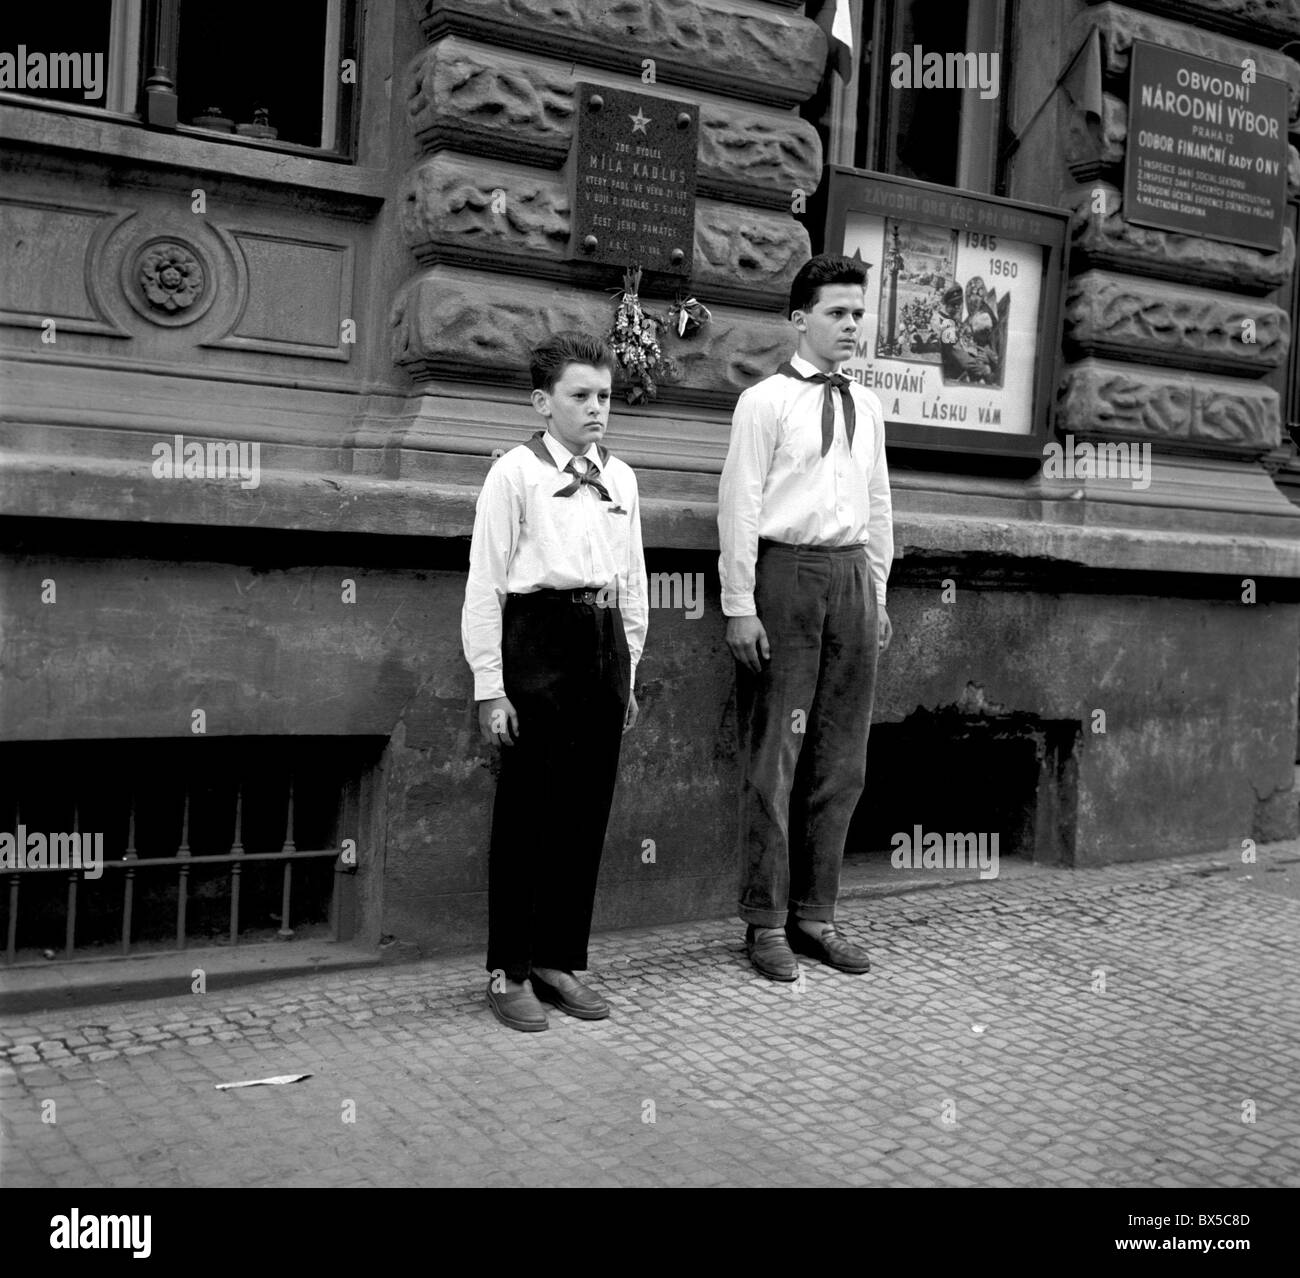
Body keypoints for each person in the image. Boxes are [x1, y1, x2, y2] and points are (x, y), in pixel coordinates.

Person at [461, 330, 647, 1031]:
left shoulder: (622, 477)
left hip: (602, 648)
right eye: (581, 396)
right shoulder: (514, 473)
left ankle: (557, 959)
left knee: (583, 811)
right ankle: (508, 969)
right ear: (543, 401)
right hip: (536, 642)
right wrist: (491, 685)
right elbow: (486, 584)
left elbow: (632, 580)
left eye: (605, 396)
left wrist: (630, 668)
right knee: (527, 813)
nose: (597, 408)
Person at [718, 253, 894, 982]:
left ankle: (817, 916)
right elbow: (740, 504)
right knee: (775, 758)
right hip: (785, 577)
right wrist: (738, 604)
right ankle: (764, 923)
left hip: (851, 577)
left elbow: (879, 502)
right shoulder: (765, 403)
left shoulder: (868, 403)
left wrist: (878, 592)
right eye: (837, 313)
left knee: (842, 757)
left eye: (858, 313)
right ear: (800, 320)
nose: (852, 325)